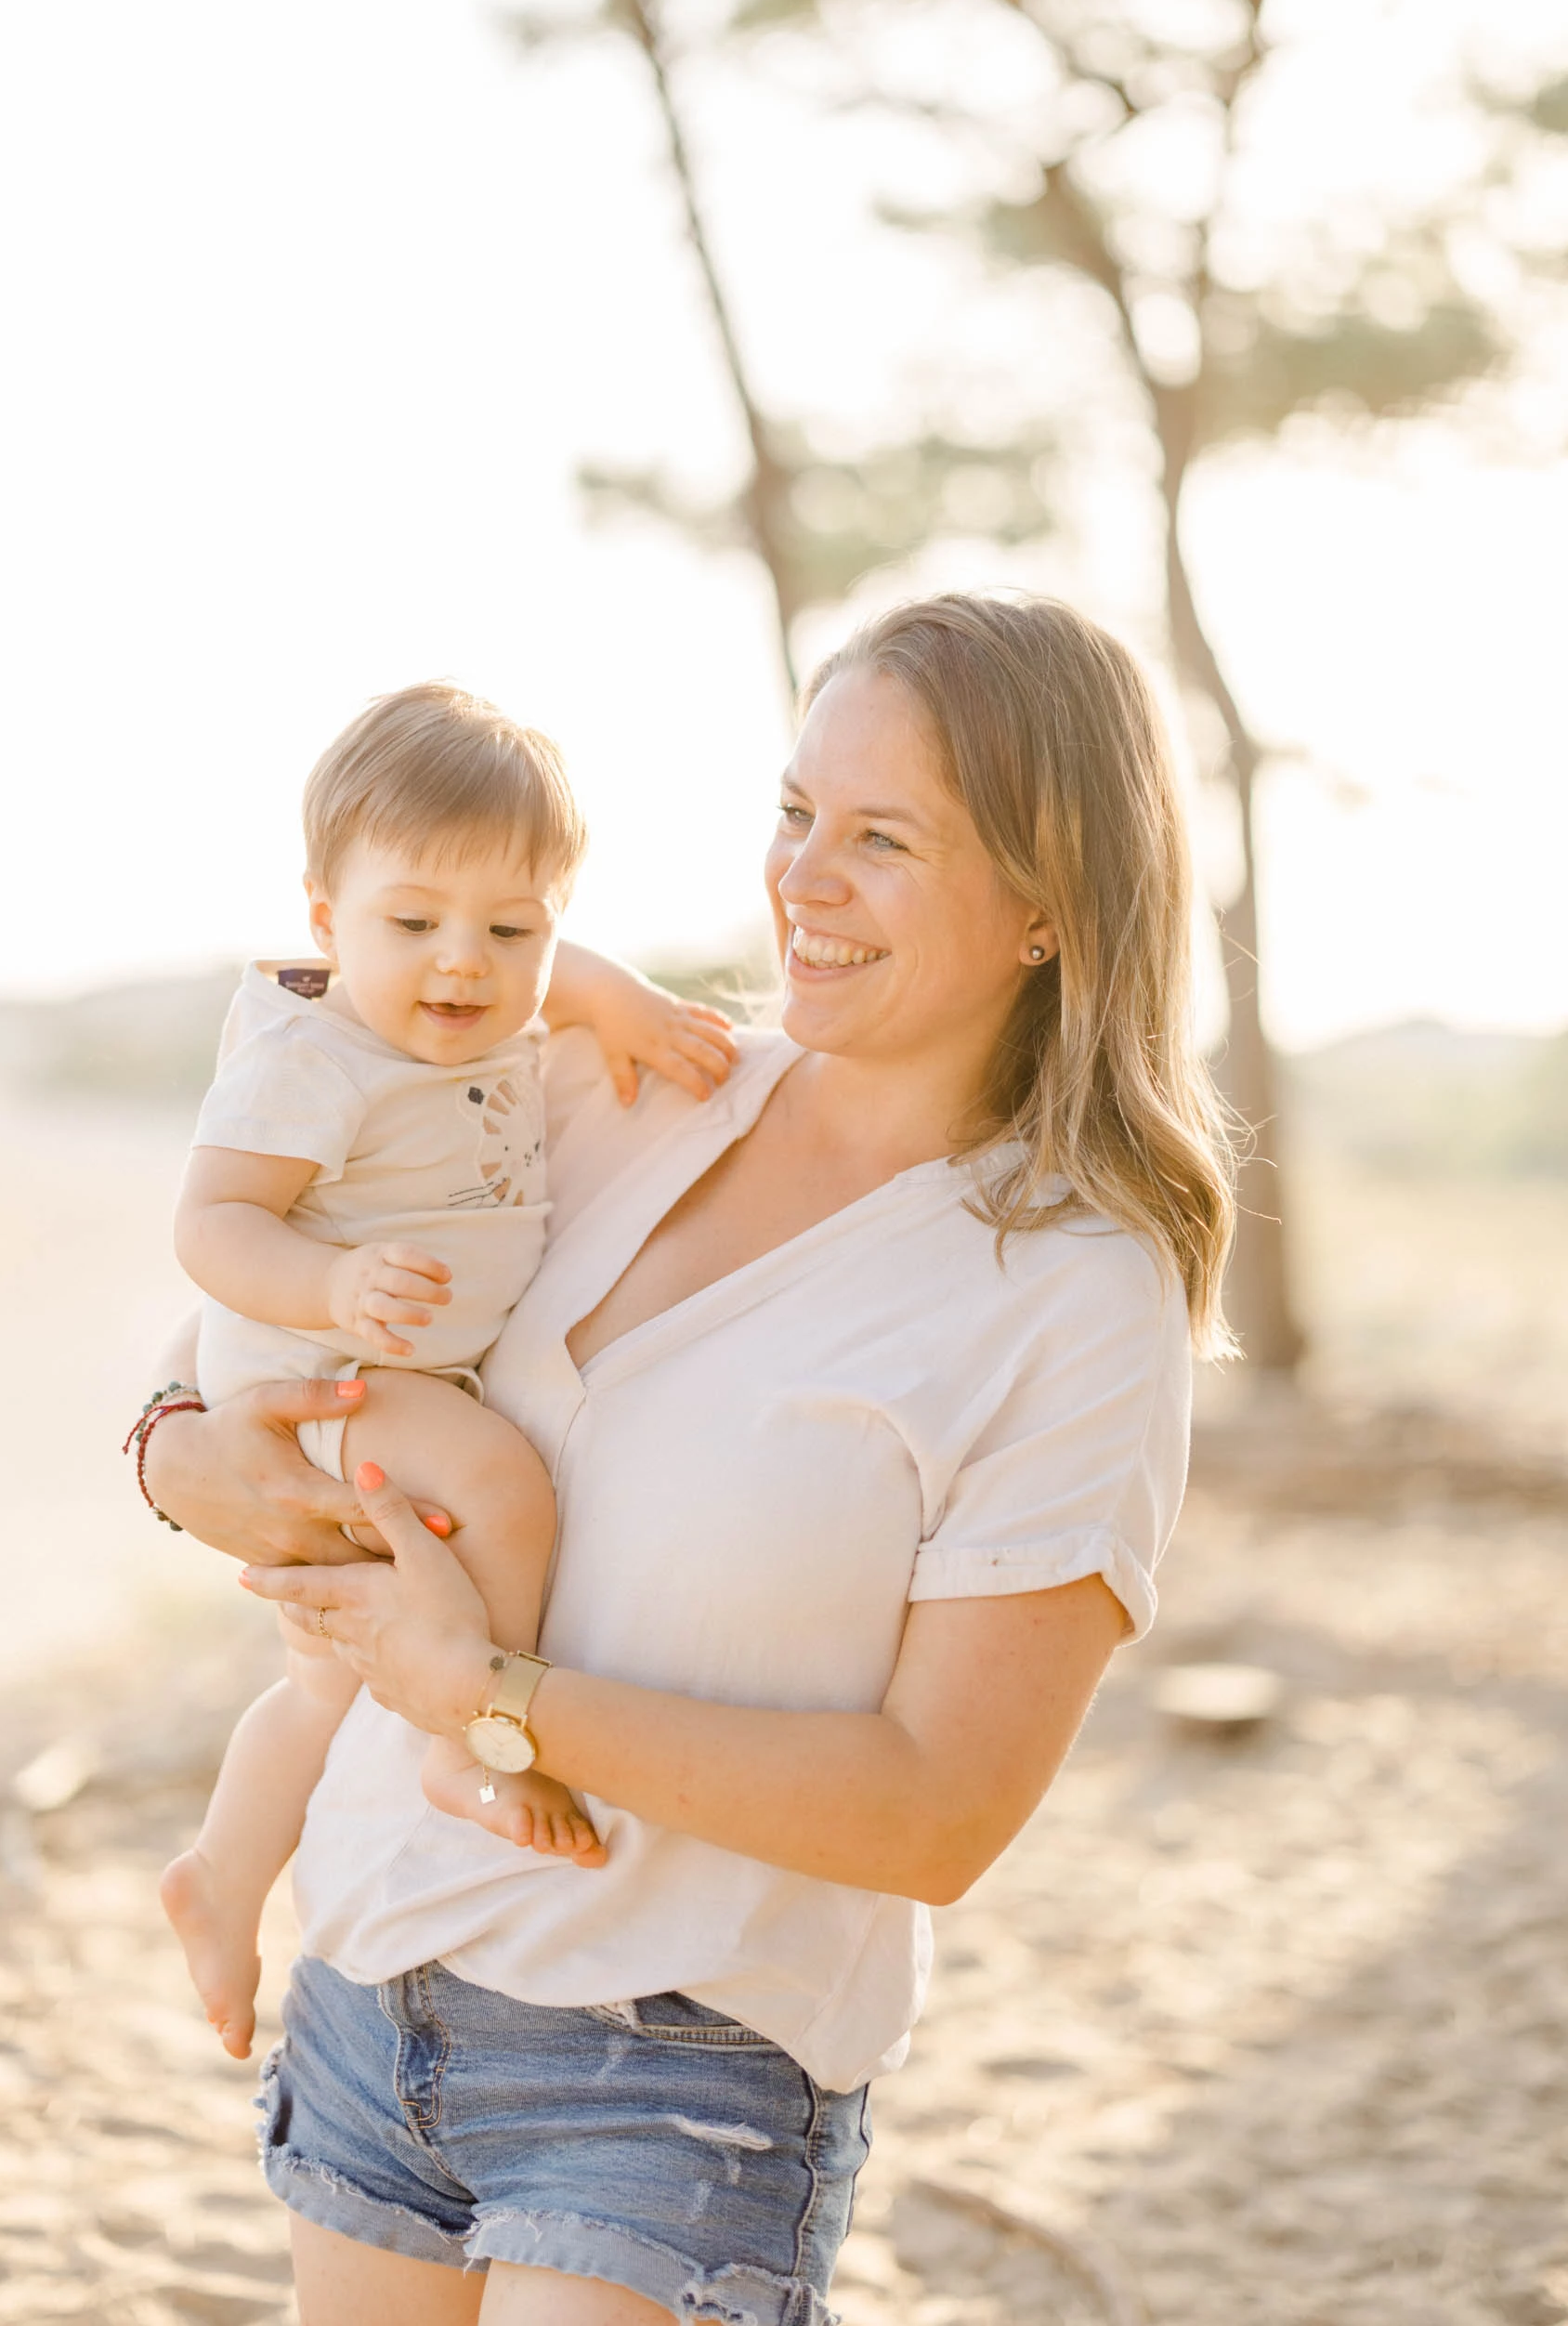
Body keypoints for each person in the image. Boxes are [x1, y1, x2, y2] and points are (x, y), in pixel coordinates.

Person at [141, 594, 1236, 2326]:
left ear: (1048, 903)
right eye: (797, 812)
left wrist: (492, 1703)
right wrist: (173, 1459)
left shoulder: (1073, 1292)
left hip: (683, 2070)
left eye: (882, 839)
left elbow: (941, 1811)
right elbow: (247, 1334)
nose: (803, 876)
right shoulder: (618, 1080)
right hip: (372, 1980)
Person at [160, 683, 737, 2061]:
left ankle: (221, 1879)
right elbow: (211, 1225)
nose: (463, 966)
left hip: (388, 1385)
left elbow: (569, 974)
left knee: (315, 1681)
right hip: (322, 1374)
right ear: (325, 922)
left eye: (510, 928)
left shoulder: (504, 1006)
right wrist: (330, 1284)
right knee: (503, 1486)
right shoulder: (316, 1063)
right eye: (412, 924)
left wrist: (637, 1010)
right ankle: (469, 1736)